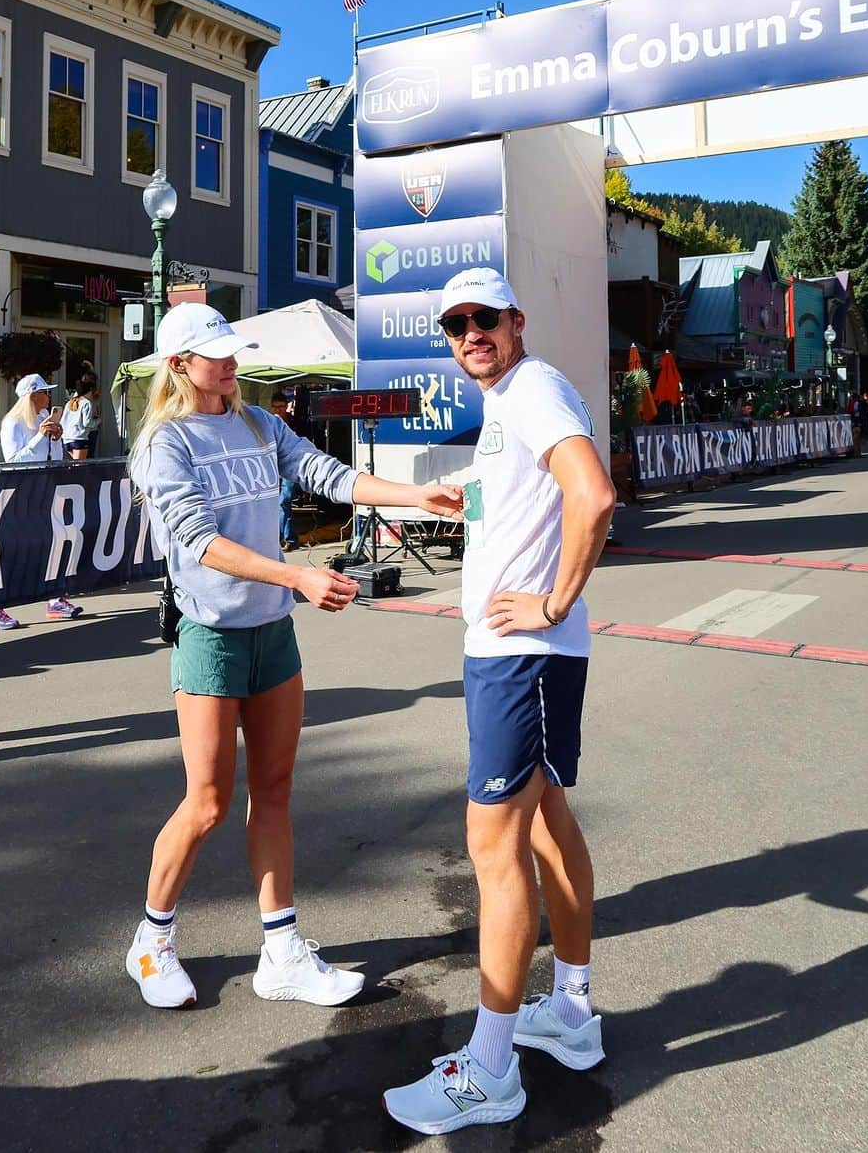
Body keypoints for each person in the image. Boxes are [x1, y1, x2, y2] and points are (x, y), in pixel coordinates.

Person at [126, 302, 460, 1010]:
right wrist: (299, 575)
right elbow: (199, 542)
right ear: (180, 364)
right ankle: (151, 942)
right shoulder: (165, 444)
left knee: (273, 795)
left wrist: (413, 495)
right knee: (208, 802)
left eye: (231, 349)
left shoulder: (257, 422)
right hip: (211, 635)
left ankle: (281, 949)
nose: (231, 362)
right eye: (216, 353)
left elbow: (326, 474)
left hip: (272, 633)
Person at [383, 269, 616, 1136]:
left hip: (524, 654)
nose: (470, 332)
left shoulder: (532, 387)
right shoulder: (511, 399)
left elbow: (593, 496)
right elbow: (539, 503)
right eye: (456, 324)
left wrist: (551, 603)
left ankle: (490, 1070)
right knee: (548, 822)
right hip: (519, 654)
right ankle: (572, 1010)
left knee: (494, 845)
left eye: (486, 318)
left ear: (516, 321)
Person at [0, 374, 81, 629]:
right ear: (33, 395)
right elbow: (14, 461)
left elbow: (55, 457)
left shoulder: (43, 419)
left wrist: (57, 437)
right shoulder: (13, 423)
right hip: (19, 492)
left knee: (52, 543)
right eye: (44, 392)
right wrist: (40, 437)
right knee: (14, 549)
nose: (48, 396)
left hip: (44, 489)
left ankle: (54, 598)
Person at [269, 391, 300, 550]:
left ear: (287, 406)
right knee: (276, 503)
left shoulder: (294, 422)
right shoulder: (268, 422)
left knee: (284, 501)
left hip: (289, 466)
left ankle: (288, 539)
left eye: (280, 407)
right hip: (273, 465)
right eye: (274, 407)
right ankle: (282, 538)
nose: (277, 410)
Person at [61, 378, 99, 460]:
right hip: (79, 439)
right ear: (90, 390)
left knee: (76, 465)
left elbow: (63, 421)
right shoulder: (86, 403)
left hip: (67, 439)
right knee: (79, 468)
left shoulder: (70, 402)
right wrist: (98, 420)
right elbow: (87, 423)